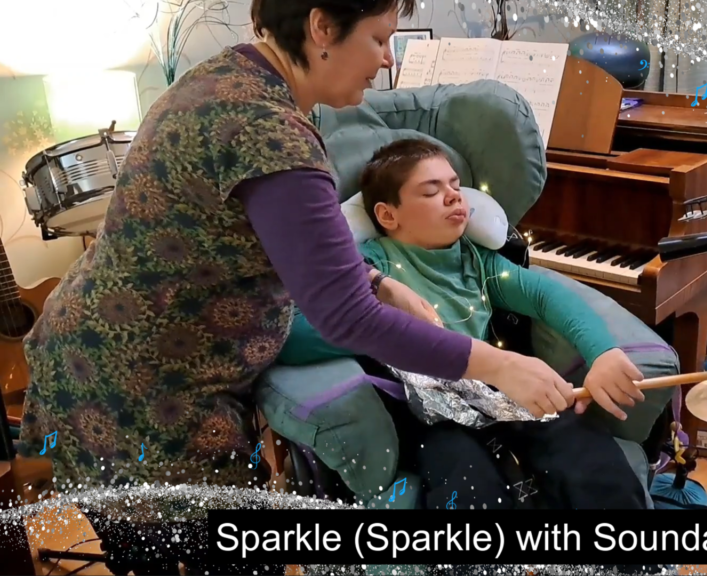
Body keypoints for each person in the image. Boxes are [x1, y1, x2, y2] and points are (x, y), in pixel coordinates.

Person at [16, 0, 573, 512]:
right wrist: (500, 364)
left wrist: (380, 282)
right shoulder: (270, 133)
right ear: (322, 28)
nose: (385, 60)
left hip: (97, 350)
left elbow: (298, 235)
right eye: (379, 39)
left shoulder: (230, 77)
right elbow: (345, 317)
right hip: (141, 387)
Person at [280, 139, 650, 511]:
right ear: (389, 215)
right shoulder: (374, 266)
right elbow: (293, 333)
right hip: (425, 418)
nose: (454, 197)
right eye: (431, 190)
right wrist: (382, 314)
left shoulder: (483, 265)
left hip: (502, 393)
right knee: (467, 483)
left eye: (456, 186)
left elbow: (549, 297)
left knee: (588, 455)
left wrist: (603, 352)